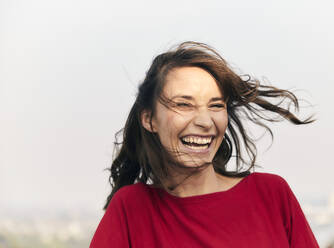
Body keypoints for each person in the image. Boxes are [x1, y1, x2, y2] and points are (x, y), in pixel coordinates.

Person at [90, 42, 319, 248]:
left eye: (216, 106)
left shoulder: (272, 194)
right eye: (183, 104)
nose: (204, 121)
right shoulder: (130, 209)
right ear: (149, 119)